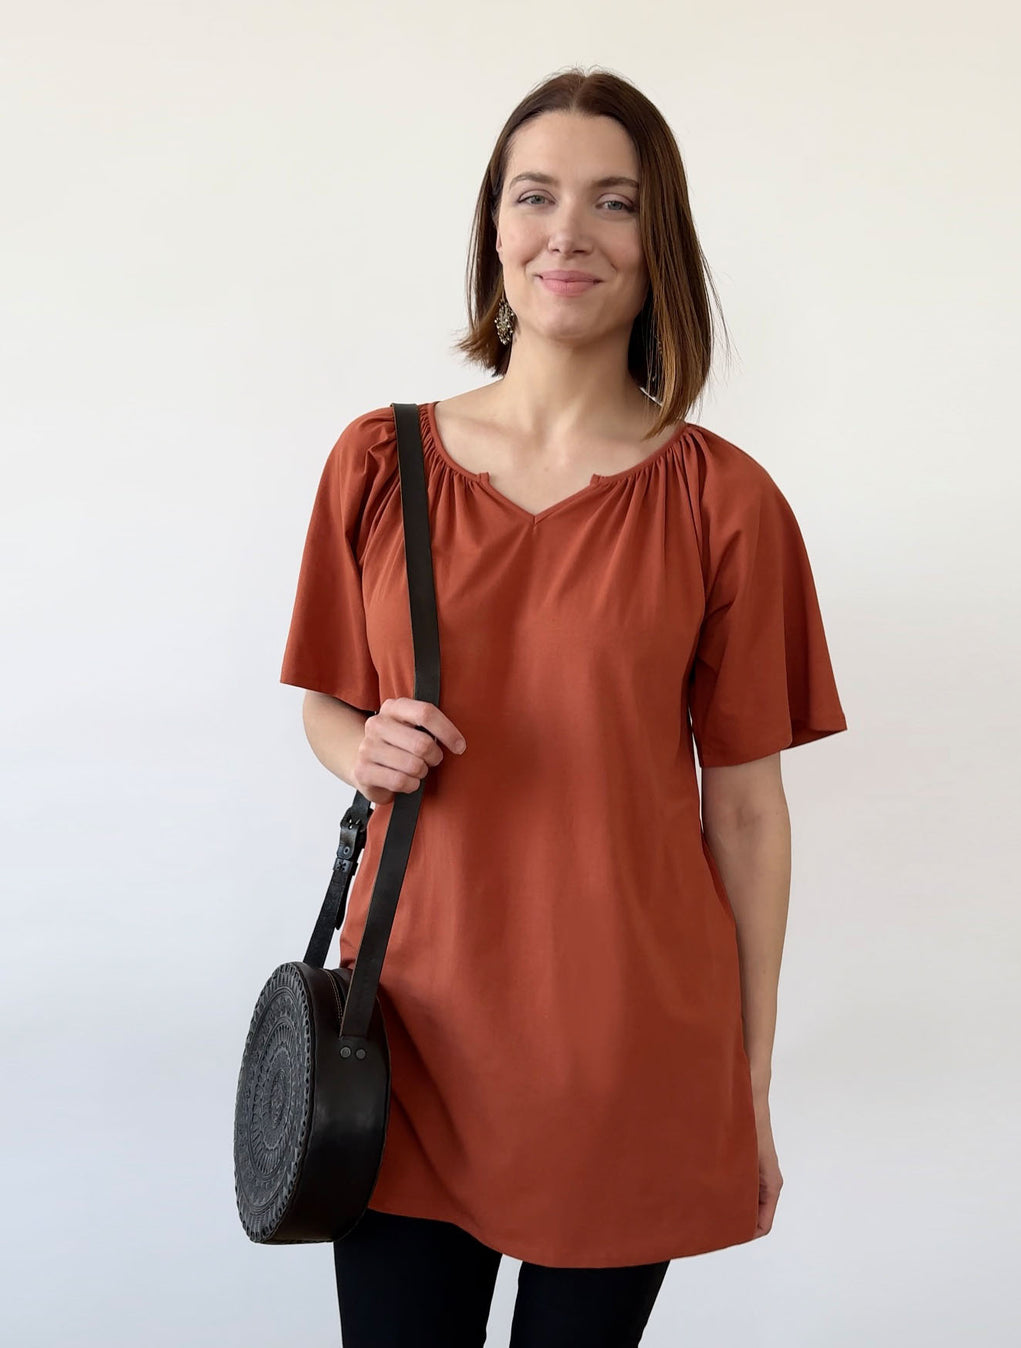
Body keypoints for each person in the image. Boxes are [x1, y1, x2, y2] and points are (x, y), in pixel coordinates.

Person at [280, 67, 848, 1348]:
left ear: (660, 243)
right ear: (494, 228)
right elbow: (327, 706)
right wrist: (362, 746)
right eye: (535, 195)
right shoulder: (377, 462)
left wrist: (748, 1078)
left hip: (632, 1047)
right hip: (404, 1035)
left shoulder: (726, 502)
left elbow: (747, 813)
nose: (568, 231)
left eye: (615, 201)